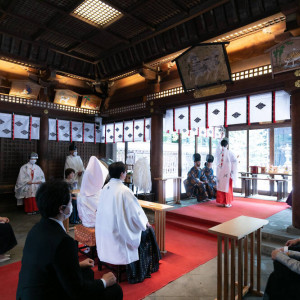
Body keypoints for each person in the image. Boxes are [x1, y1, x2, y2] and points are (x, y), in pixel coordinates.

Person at [16, 180, 123, 300]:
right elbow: (77, 291)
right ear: (62, 208)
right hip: (48, 294)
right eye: (69, 202)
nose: (71, 205)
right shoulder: (64, 242)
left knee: (87, 272)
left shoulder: (36, 230)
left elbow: (49, 260)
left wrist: (75, 265)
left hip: (27, 293)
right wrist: (104, 281)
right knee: (114, 290)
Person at [96, 162, 161, 283]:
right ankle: (142, 268)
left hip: (105, 232)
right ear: (122, 174)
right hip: (118, 235)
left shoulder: (105, 188)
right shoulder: (124, 190)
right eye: (125, 172)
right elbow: (136, 213)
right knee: (149, 231)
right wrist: (145, 222)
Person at [77, 156, 108, 228]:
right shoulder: (102, 193)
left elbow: (80, 215)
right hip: (100, 226)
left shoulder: (81, 193)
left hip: (84, 223)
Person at [215, 138, 238, 208]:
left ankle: (222, 202)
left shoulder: (218, 152)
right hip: (227, 173)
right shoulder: (229, 152)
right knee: (227, 187)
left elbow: (216, 161)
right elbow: (235, 161)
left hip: (220, 173)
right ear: (227, 145)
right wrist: (233, 171)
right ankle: (227, 202)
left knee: (221, 187)